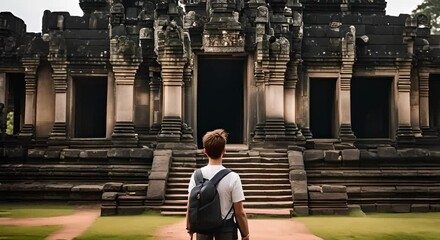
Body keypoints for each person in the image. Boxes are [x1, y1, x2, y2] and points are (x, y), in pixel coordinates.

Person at [186, 129, 250, 240]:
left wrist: (189, 228)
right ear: (224, 150)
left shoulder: (196, 176)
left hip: (203, 230)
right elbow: (239, 212)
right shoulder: (233, 177)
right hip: (226, 230)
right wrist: (245, 235)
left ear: (205, 151)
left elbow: (190, 205)